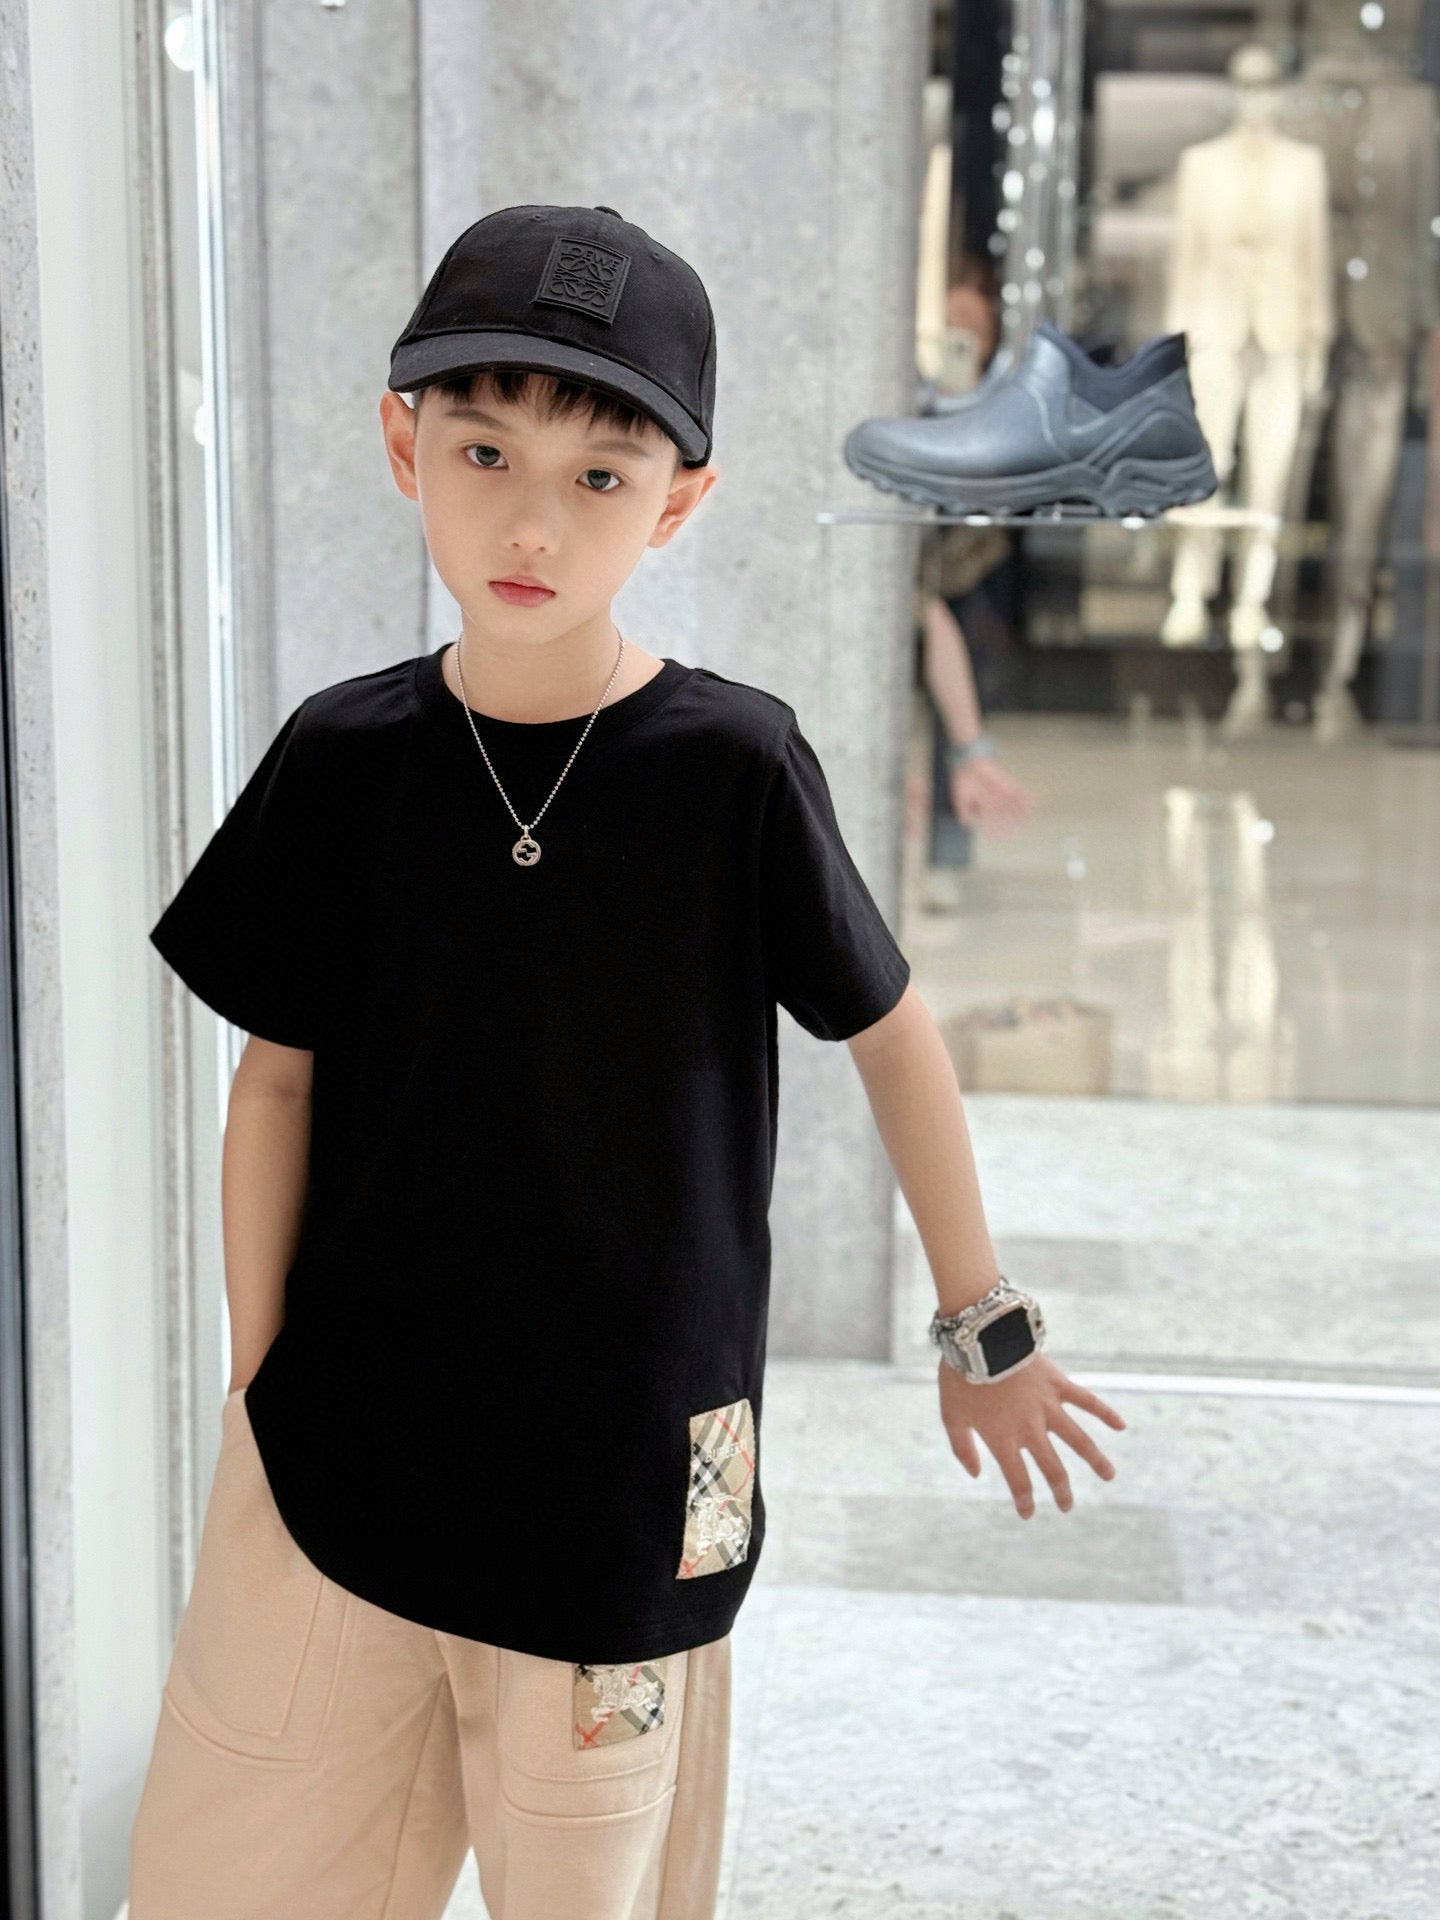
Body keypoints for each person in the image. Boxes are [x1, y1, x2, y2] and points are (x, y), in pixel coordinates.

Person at [128, 204, 1126, 1920]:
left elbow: (892, 1031)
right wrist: (257, 1384)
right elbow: (275, 1080)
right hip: (339, 1446)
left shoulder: (734, 769)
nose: (532, 519)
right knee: (236, 1874)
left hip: (631, 1480)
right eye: (486, 451)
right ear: (402, 446)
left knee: (589, 1879)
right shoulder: (341, 760)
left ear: (679, 502)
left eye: (600, 475)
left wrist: (987, 1325)